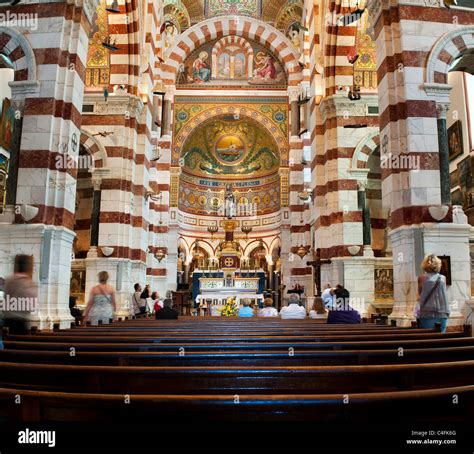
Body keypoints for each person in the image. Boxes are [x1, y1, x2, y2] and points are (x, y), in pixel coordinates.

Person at [3, 255, 38, 334]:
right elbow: (32, 307)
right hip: (21, 324)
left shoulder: (8, 280)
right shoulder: (29, 283)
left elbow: (5, 300)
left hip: (7, 322)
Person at [416, 254, 450, 333]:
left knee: (427, 337)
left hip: (426, 312)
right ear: (438, 264)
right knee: (441, 338)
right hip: (442, 311)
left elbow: (419, 294)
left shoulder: (421, 278)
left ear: (424, 264)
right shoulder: (443, 278)